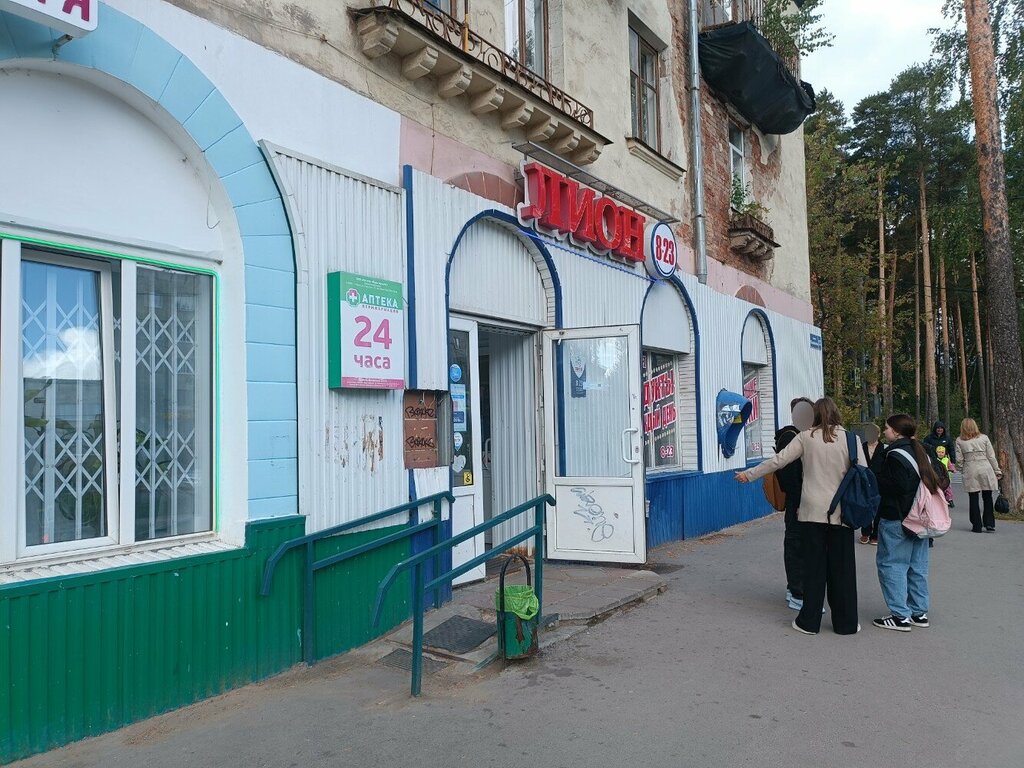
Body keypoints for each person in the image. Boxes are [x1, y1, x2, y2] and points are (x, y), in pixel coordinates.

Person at [737, 397, 865, 636]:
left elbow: (778, 461)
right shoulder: (852, 439)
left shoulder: (806, 437)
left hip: (811, 512)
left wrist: (749, 474)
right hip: (842, 513)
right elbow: (863, 473)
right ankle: (846, 623)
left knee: (813, 568)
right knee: (843, 569)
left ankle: (809, 622)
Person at [872, 413, 936, 632]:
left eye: (886, 428)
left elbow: (896, 486)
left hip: (897, 517)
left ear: (896, 432)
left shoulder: (893, 455)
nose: (884, 431)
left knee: (892, 565)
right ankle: (919, 612)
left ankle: (900, 615)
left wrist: (877, 478)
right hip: (922, 518)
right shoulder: (923, 451)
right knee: (918, 567)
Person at [775, 398, 815, 611]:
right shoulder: (790, 437)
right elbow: (789, 475)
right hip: (798, 503)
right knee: (796, 544)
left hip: (807, 501)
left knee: (805, 545)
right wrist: (799, 501)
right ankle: (797, 592)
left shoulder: (807, 435)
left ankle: (799, 588)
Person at [955, 418, 1002, 533]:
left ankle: (976, 525)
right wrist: (997, 470)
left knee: (973, 497)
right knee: (987, 496)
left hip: (970, 468)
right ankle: (989, 523)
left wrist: (961, 469)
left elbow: (959, 459)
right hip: (985, 467)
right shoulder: (984, 438)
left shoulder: (959, 440)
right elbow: (991, 456)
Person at [859, 423, 885, 545]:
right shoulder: (861, 447)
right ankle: (865, 532)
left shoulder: (884, 448)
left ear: (878, 434)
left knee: (878, 507)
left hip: (879, 481)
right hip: (864, 480)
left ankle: (876, 534)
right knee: (865, 506)